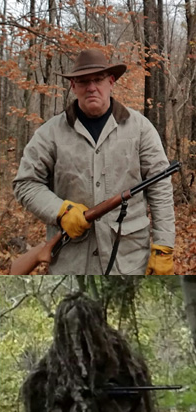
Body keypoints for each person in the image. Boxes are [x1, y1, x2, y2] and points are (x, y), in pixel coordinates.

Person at [12, 47, 175, 275]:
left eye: (98, 79)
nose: (91, 87)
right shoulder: (49, 133)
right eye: (83, 81)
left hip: (130, 260)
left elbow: (160, 186)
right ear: (73, 86)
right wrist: (62, 211)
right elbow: (25, 184)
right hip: (71, 262)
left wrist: (164, 246)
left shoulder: (141, 129)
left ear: (111, 81)